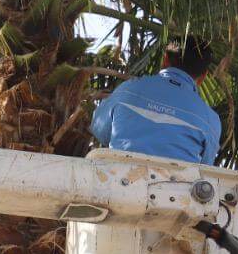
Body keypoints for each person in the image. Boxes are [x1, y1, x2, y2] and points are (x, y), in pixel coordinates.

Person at [89, 41, 221, 165]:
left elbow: (99, 129)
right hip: (176, 187)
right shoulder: (210, 119)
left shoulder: (129, 89)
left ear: (165, 60)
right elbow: (205, 166)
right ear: (203, 76)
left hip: (117, 180)